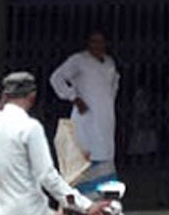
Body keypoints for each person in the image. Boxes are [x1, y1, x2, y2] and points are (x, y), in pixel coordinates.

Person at [0, 72, 108, 215]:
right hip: (31, 210)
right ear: (32, 96)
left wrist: (3, 174)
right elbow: (47, 176)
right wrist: (84, 206)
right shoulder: (30, 127)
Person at [50, 30, 121, 183]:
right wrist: (74, 98)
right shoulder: (79, 60)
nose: (97, 45)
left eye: (101, 42)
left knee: (105, 154)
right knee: (85, 153)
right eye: (94, 41)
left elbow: (114, 85)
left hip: (106, 117)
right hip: (86, 117)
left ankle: (103, 190)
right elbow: (56, 78)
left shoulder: (109, 62)